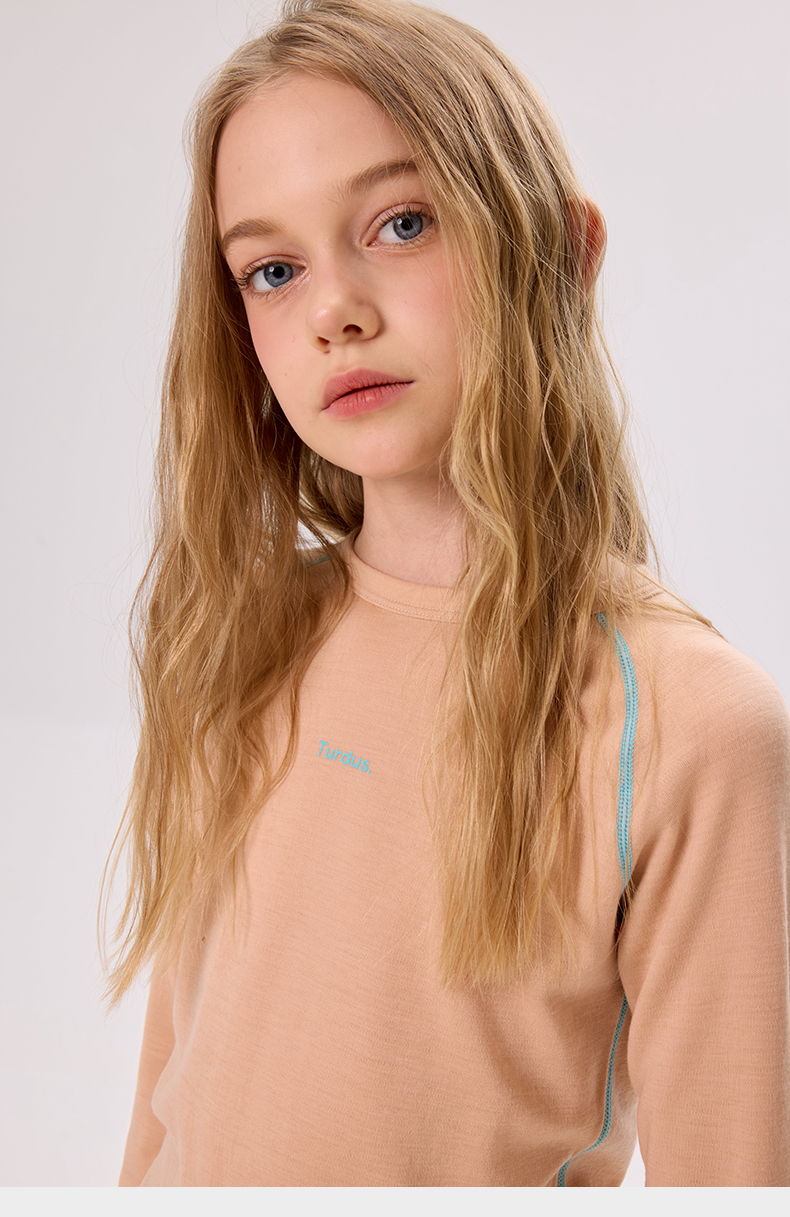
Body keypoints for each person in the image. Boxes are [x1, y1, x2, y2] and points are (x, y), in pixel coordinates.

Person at [104, 0, 790, 1187]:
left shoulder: (688, 724)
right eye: (273, 270)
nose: (335, 311)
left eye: (403, 223)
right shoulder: (243, 639)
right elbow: (170, 1102)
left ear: (562, 249)